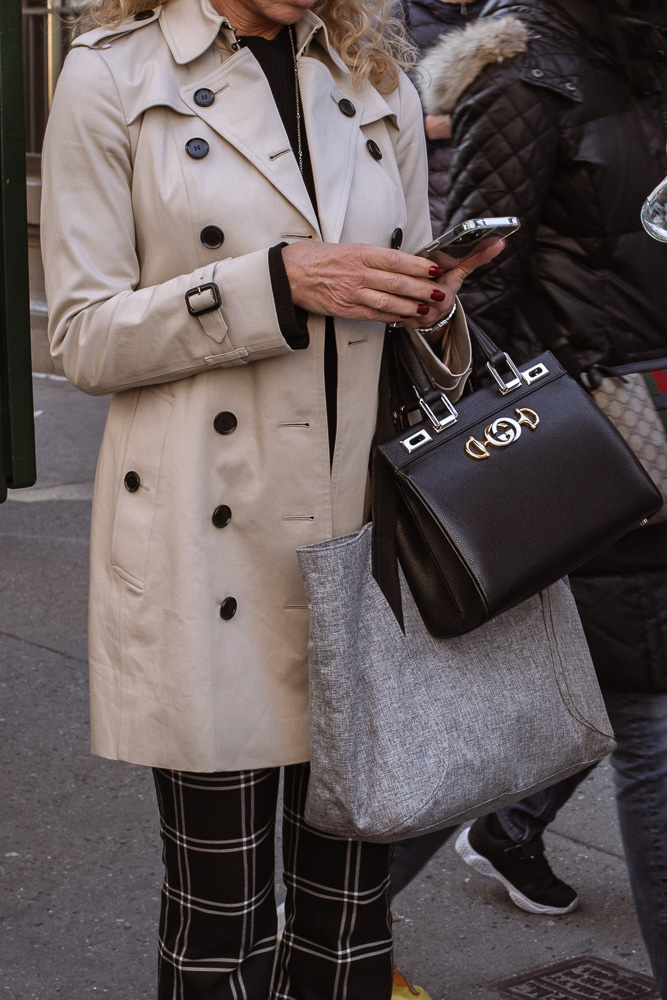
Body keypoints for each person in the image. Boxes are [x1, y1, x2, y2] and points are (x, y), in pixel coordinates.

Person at [39, 0, 505, 996]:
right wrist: (272, 285)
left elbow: (400, 313)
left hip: (361, 539)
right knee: (222, 923)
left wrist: (430, 298)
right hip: (210, 541)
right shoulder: (113, 76)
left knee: (348, 922)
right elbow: (82, 334)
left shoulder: (372, 73)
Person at [404, 0, 667, 994]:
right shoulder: (525, 70)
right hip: (594, 458)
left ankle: (321, 923)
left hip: (649, 441)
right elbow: (472, 296)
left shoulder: (646, 54)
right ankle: (315, 929)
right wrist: (570, 423)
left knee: (532, 722)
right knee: (641, 725)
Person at [399, 0, 486, 233]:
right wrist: (426, 129)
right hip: (425, 207)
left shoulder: (508, 17)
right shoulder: (395, 14)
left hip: (497, 195)